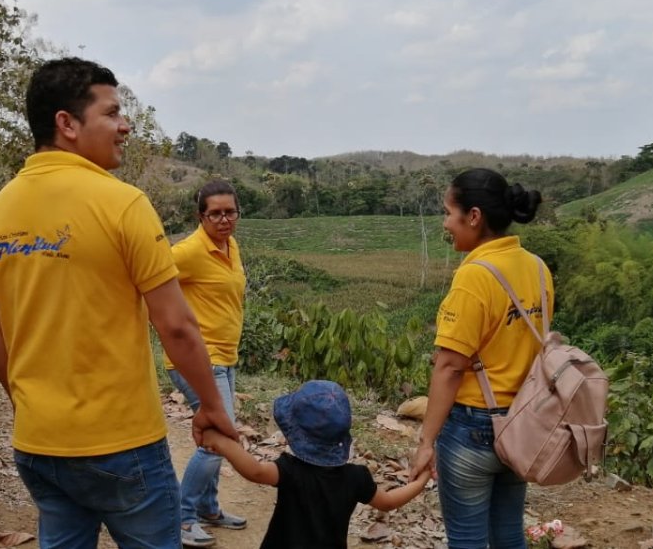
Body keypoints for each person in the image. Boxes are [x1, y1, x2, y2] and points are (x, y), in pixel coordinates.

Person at [0, 57, 236, 549]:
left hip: (38, 445)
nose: (125, 125)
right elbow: (176, 326)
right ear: (67, 124)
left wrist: (31, 410)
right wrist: (212, 407)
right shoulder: (122, 204)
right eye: (113, 113)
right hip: (122, 445)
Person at [410, 168, 552, 549]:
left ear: (473, 216)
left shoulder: (475, 275)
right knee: (508, 535)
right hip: (522, 422)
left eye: (448, 212)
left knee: (467, 541)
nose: (445, 223)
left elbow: (450, 365)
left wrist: (427, 442)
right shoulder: (537, 268)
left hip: (473, 428)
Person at [202, 380, 430, 549]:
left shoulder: (290, 470)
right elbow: (388, 502)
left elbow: (255, 471)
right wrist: (422, 480)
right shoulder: (356, 477)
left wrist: (220, 442)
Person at [166, 180, 248, 547]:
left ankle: (208, 508)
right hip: (197, 360)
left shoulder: (231, 246)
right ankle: (182, 518)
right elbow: (149, 282)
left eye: (229, 211)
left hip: (225, 358)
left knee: (218, 434)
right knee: (221, 437)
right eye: (214, 213)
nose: (223, 219)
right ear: (201, 216)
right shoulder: (186, 252)